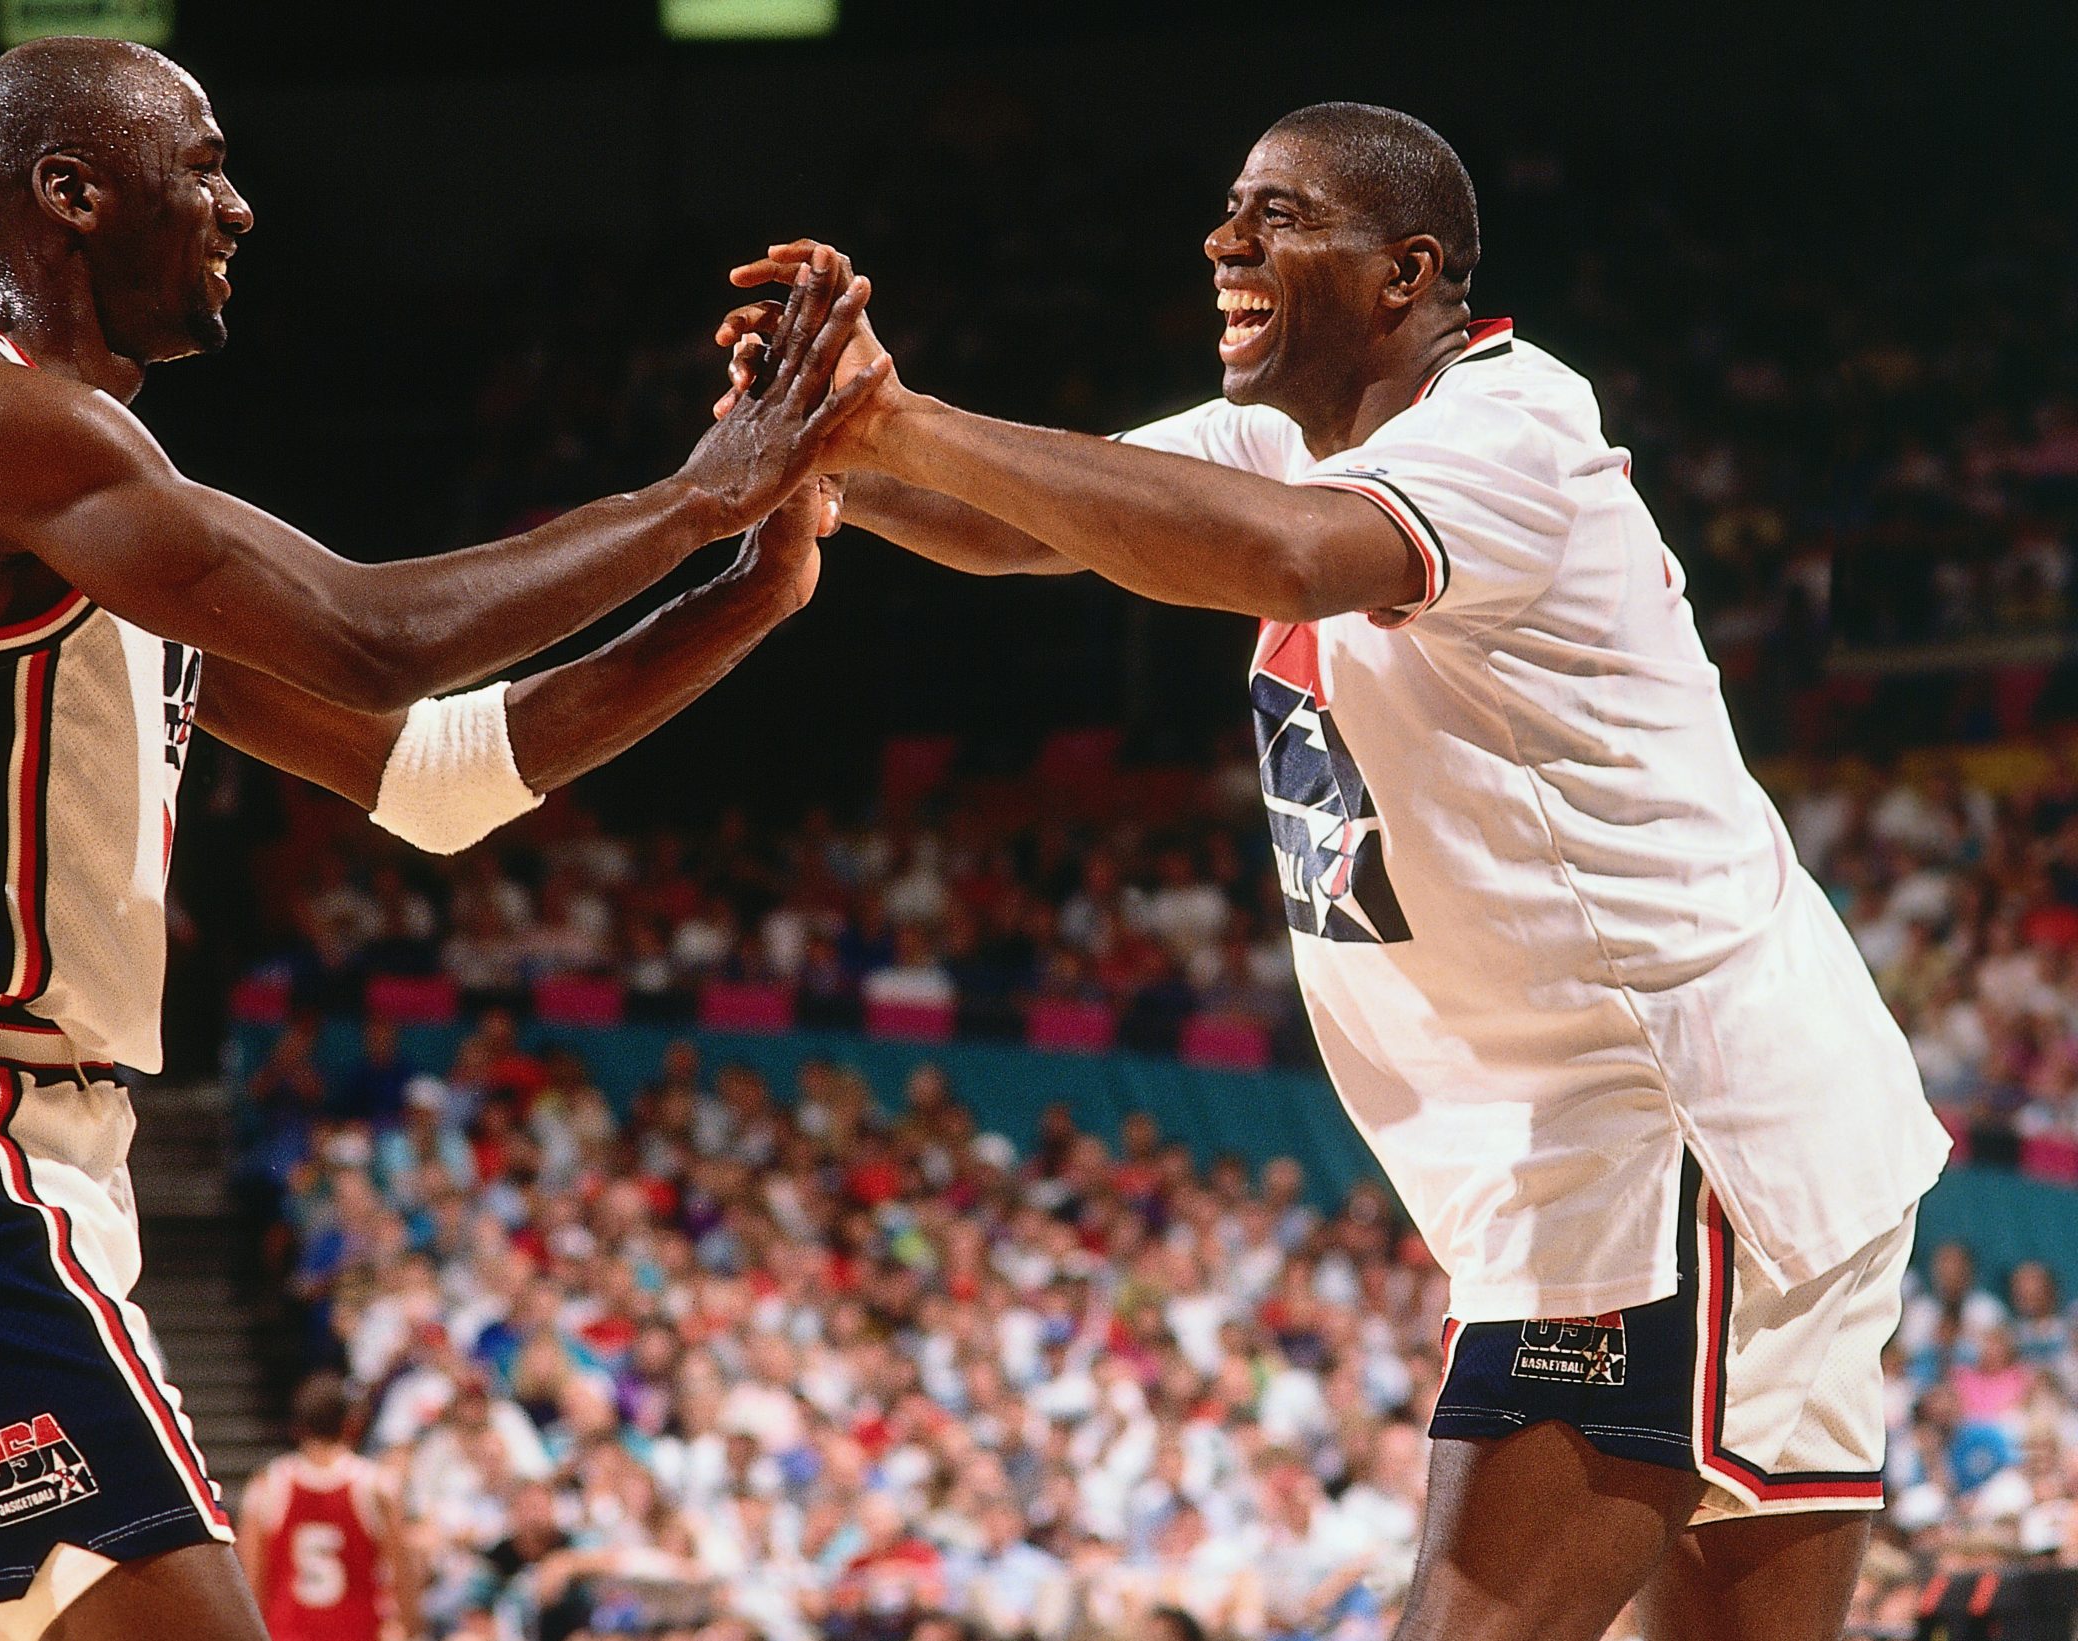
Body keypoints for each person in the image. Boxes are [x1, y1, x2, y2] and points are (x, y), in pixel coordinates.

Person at [714, 102, 1950, 1641]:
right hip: (1703, 1133)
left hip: (1662, 1138)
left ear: (1404, 273)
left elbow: (1293, 558)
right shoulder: (1287, 438)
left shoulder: (1511, 426)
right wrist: (810, 452)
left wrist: (895, 420)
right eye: (1232, 209)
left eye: (1280, 214)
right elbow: (1024, 524)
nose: (1228, 240)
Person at [0, 34, 882, 1641]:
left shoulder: (113, 514)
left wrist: (748, 591)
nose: (240, 207)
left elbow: (437, 772)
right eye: (199, 165)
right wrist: (700, 491)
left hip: (13, 1135)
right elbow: (373, 633)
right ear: (70, 195)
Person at [236, 1374, 416, 1641]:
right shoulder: (376, 1485)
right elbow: (403, 1574)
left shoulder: (267, 1483)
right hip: (357, 1632)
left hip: (287, 1633)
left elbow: (249, 1580)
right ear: (349, 1423)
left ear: (299, 1425)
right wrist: (411, 1628)